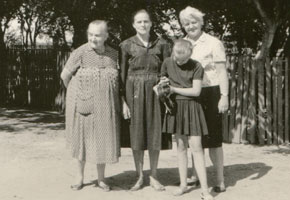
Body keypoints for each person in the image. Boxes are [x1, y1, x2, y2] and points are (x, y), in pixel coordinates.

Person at [61, 20, 130, 192]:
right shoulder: (80, 52)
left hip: (106, 107)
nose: (93, 38)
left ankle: (101, 179)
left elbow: (118, 83)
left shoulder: (114, 54)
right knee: (81, 142)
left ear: (106, 36)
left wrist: (121, 102)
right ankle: (79, 178)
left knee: (103, 141)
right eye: (90, 34)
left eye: (98, 35)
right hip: (83, 105)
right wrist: (77, 94)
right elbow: (65, 76)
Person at [119, 9, 172, 191]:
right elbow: (122, 75)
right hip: (133, 92)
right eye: (139, 22)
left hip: (155, 93)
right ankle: (140, 176)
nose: (143, 25)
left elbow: (168, 69)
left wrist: (165, 89)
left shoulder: (163, 44)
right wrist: (123, 101)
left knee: (155, 132)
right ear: (133, 25)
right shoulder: (126, 45)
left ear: (151, 24)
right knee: (137, 133)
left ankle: (154, 176)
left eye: (146, 21)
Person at [180, 6, 229, 193]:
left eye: (193, 22)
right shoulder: (181, 44)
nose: (191, 26)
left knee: (214, 139)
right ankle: (194, 176)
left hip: (211, 92)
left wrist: (224, 96)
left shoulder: (213, 43)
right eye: (186, 23)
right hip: (190, 93)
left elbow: (222, 71)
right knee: (194, 138)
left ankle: (219, 179)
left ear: (201, 23)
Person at [159, 39, 214, 199]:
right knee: (181, 148)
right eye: (177, 56)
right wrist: (163, 84)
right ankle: (183, 185)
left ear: (190, 55)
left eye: (183, 59)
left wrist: (174, 89)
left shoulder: (196, 66)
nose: (179, 61)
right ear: (173, 51)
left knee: (197, 148)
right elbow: (162, 80)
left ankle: (204, 190)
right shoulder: (167, 62)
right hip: (175, 109)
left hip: (192, 108)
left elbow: (196, 91)